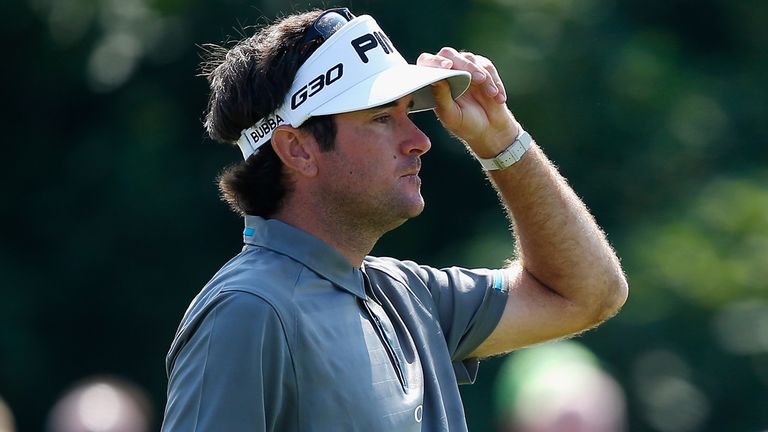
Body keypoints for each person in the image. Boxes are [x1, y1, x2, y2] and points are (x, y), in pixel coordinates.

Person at [161, 8, 628, 432]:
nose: (419, 140)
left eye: (407, 113)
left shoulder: (408, 296)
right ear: (298, 149)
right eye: (382, 118)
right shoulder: (247, 310)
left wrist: (501, 140)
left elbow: (590, 293)